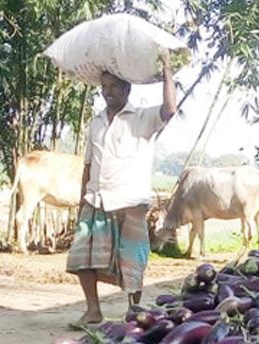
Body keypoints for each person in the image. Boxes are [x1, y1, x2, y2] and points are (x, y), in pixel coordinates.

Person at [66, 54, 177, 327]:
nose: (107, 92)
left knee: (133, 261)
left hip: (130, 201)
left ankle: (135, 311)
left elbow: (170, 109)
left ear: (127, 89)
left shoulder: (142, 118)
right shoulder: (96, 123)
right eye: (104, 87)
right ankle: (93, 310)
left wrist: (166, 72)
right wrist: (82, 200)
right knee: (83, 257)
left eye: (114, 87)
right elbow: (88, 164)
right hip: (97, 198)